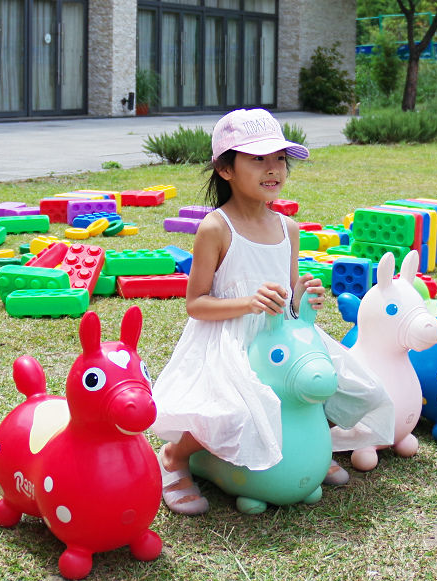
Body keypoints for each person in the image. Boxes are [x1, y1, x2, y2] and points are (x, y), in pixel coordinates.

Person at [152, 108, 394, 514]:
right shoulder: (216, 228)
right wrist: (248, 303)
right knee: (229, 409)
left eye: (279, 158)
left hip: (283, 338)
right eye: (258, 159)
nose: (273, 169)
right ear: (226, 169)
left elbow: (291, 304)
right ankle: (176, 457)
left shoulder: (288, 229)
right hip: (231, 338)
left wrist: (303, 297)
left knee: (349, 384)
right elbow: (196, 304)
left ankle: (310, 450)